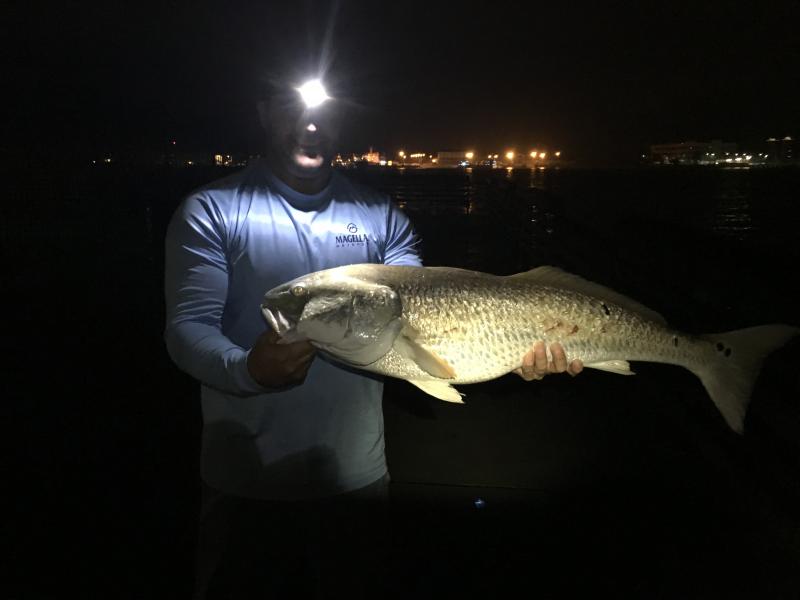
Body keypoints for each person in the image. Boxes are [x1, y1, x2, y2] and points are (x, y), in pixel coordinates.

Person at [163, 68, 582, 599]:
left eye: (325, 112)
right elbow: (187, 327)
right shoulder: (211, 210)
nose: (310, 126)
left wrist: (512, 348)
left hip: (356, 479)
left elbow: (426, 318)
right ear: (264, 113)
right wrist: (248, 370)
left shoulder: (382, 216)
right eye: (292, 109)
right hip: (243, 478)